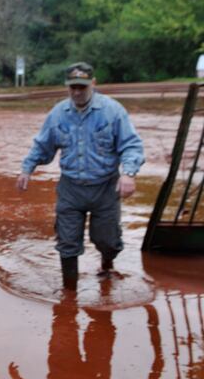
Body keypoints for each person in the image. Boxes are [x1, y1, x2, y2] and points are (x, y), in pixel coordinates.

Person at [16, 62, 145, 289]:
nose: (77, 92)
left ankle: (107, 263)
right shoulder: (58, 114)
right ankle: (69, 294)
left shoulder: (112, 111)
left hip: (105, 186)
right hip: (70, 188)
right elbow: (42, 146)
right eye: (72, 87)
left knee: (108, 240)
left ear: (93, 84)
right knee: (67, 243)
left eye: (82, 87)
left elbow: (131, 145)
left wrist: (129, 174)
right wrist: (27, 168)